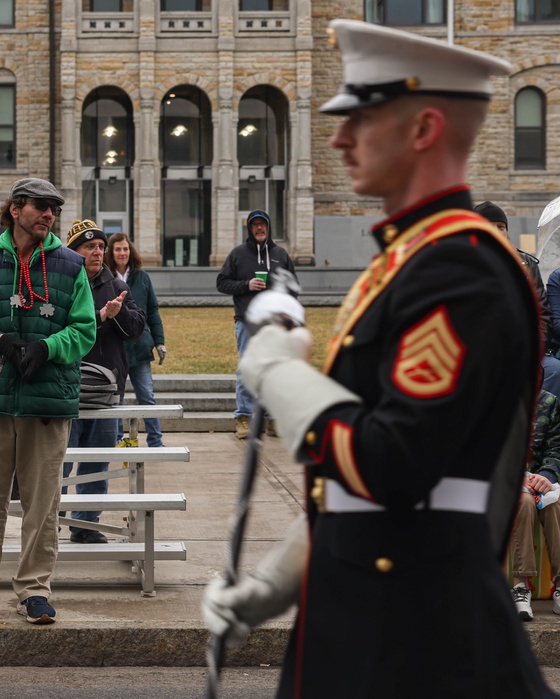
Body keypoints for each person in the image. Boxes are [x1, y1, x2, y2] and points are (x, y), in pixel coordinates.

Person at [203, 20, 556, 697]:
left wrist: (279, 374)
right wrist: (275, 583)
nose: (338, 138)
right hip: (370, 618)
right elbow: (371, 494)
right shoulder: (408, 264)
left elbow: (392, 463)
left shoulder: (463, 270)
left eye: (359, 119)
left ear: (423, 128)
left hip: (419, 643)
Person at [0, 177, 95, 625]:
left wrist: (47, 348)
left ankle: (34, 590)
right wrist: (0, 340)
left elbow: (85, 330)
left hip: (47, 403)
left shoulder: (70, 265)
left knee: (42, 504)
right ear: (15, 209)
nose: (49, 214)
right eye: (40, 207)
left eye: (53, 208)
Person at [62, 220, 145, 544]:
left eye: (100, 247)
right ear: (73, 252)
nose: (97, 252)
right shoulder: (62, 283)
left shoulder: (115, 285)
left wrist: (118, 312)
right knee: (57, 464)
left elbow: (136, 327)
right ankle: (48, 522)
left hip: (107, 393)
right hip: (65, 391)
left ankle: (86, 524)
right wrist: (100, 316)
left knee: (96, 463)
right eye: (89, 247)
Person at [215, 209, 296, 440]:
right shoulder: (238, 254)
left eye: (263, 225)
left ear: (268, 227)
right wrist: (246, 285)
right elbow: (222, 283)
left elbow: (294, 287)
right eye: (255, 225)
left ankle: (273, 419)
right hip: (246, 322)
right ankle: (244, 418)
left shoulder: (281, 254)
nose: (259, 228)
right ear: (249, 229)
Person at [474, 201, 560, 395]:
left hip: (524, 349)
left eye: (501, 227)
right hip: (479, 352)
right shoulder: (461, 266)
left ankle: (541, 424)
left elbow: (543, 314)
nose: (496, 231)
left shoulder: (527, 265)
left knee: (554, 371)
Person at [105, 232, 167, 448]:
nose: (122, 253)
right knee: (115, 400)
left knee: (147, 397)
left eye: (125, 249)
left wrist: (159, 341)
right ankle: (114, 440)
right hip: (116, 351)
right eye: (118, 249)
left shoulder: (142, 277)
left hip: (140, 349)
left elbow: (152, 311)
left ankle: (156, 441)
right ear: (111, 253)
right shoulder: (105, 277)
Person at [511, 390, 560, 621]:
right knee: (524, 503)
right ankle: (521, 585)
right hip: (507, 481)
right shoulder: (490, 400)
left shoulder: (549, 401)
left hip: (542, 479)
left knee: (554, 505)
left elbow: (556, 448)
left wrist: (546, 475)